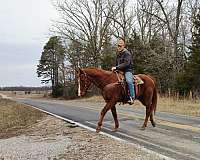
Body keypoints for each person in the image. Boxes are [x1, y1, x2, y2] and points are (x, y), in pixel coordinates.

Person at [111, 38, 135, 104]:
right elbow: (117, 64)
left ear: (124, 46)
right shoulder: (118, 54)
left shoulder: (127, 53)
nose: (119, 47)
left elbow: (126, 63)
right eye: (118, 45)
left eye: (120, 46)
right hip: (119, 71)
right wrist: (115, 69)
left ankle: (132, 97)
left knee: (129, 81)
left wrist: (116, 67)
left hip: (127, 71)